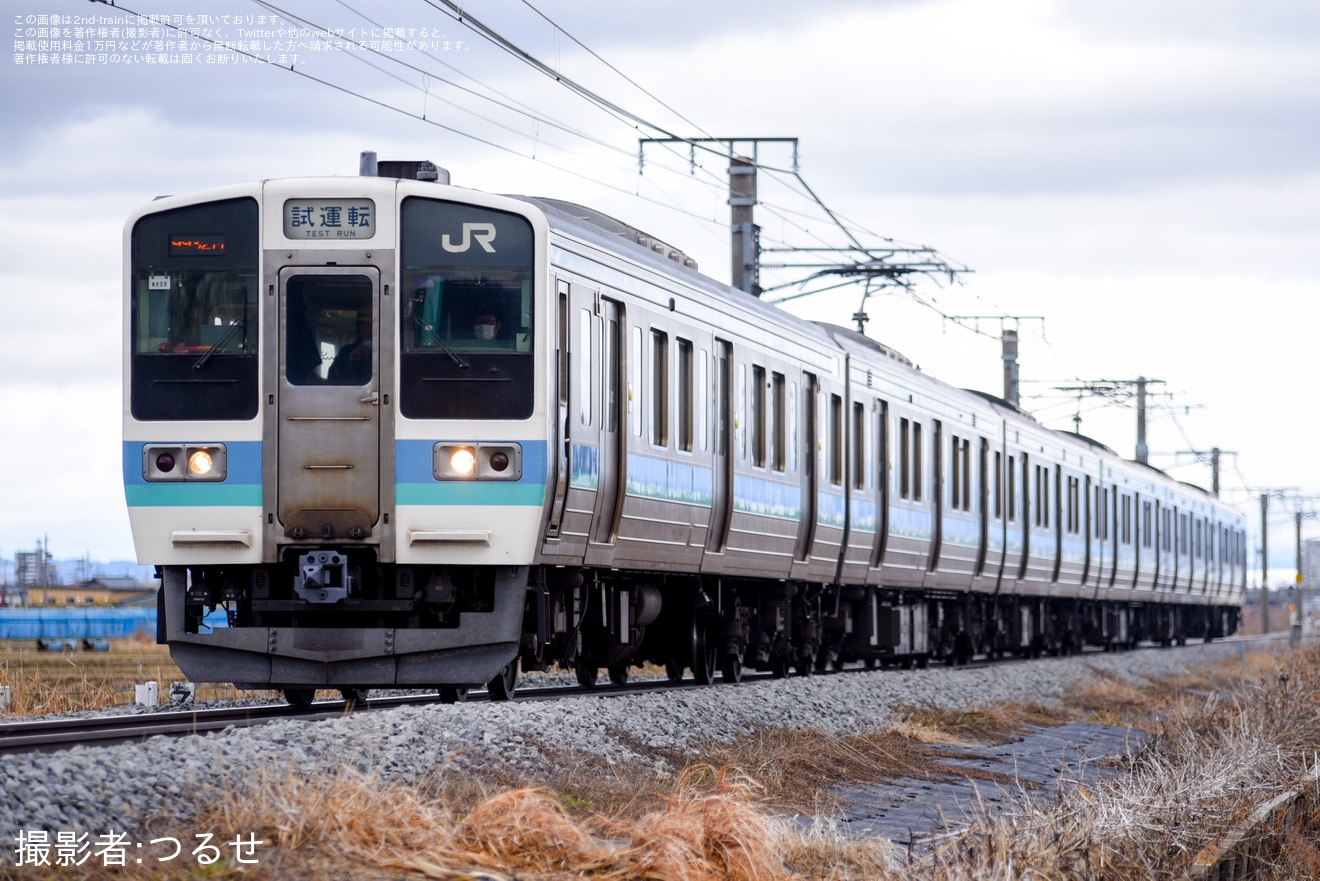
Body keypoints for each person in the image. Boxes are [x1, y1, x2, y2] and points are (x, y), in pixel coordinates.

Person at [328, 306, 372, 384]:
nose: (369, 329)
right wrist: (350, 361)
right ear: (358, 328)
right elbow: (333, 379)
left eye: (372, 325)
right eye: (364, 325)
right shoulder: (346, 351)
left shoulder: (389, 351)